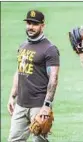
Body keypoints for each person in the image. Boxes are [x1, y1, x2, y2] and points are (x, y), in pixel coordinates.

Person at [7, 10, 60, 142]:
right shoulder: (23, 45)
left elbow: (53, 79)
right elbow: (19, 71)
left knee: (39, 140)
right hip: (21, 103)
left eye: (35, 24)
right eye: (29, 23)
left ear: (43, 26)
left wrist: (47, 105)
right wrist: (12, 96)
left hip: (39, 105)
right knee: (14, 139)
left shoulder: (50, 49)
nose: (30, 27)